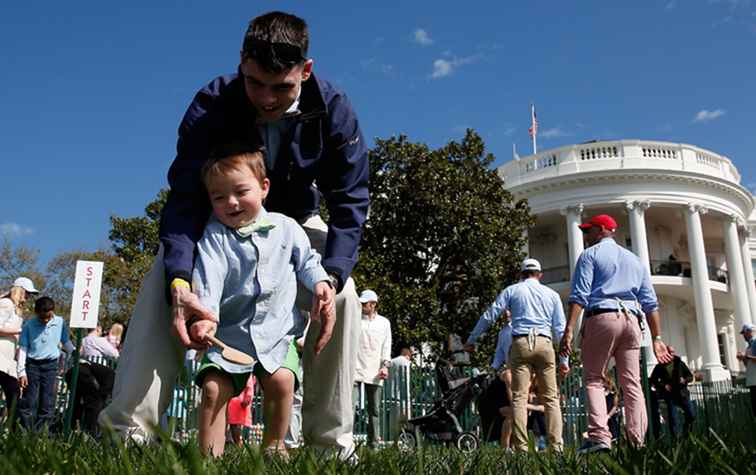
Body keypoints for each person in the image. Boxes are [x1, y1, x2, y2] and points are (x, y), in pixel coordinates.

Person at [99, 12, 368, 458]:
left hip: (296, 223)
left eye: (281, 87)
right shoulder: (212, 103)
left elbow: (351, 199)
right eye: (254, 82)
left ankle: (329, 446)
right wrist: (180, 280)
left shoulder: (334, 108)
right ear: (241, 63)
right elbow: (185, 197)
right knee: (159, 287)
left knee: (342, 299)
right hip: (220, 218)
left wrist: (333, 275)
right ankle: (128, 433)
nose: (266, 98)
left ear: (306, 70)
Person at [187, 144, 333, 458]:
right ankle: (209, 457)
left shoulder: (287, 227)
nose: (231, 202)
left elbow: (307, 261)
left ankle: (275, 447)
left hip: (277, 333)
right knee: (214, 390)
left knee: (282, 382)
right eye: (219, 197)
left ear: (264, 187)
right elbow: (207, 278)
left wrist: (320, 282)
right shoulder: (214, 237)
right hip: (227, 336)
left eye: (241, 191)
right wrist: (205, 316)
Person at [559, 214, 673, 453]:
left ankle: (599, 435)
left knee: (593, 378)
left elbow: (579, 296)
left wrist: (569, 329)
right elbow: (650, 303)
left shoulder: (590, 255)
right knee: (632, 384)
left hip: (603, 317)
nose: (585, 236)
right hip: (633, 321)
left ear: (601, 230)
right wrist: (657, 337)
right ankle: (637, 441)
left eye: (588, 231)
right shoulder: (635, 260)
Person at [465, 258, 566, 452]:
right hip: (545, 342)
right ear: (540, 275)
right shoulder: (552, 294)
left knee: (519, 398)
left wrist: (472, 339)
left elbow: (491, 314)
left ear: (521, 274)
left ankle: (521, 447)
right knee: (551, 398)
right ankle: (557, 446)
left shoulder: (512, 290)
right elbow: (560, 329)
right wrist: (564, 360)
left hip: (520, 342)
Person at [17, 296, 75, 431]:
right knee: (29, 401)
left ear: (53, 311)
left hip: (50, 366)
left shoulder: (60, 322)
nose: (46, 320)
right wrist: (21, 371)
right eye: (42, 317)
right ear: (36, 313)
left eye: (48, 317)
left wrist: (74, 352)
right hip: (32, 366)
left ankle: (41, 434)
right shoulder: (29, 325)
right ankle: (25, 432)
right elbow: (23, 348)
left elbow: (65, 341)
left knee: (47, 401)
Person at [353, 290, 391, 449]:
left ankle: (373, 444)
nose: (362, 306)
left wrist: (385, 365)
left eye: (365, 303)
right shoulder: (354, 319)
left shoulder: (384, 322)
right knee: (349, 408)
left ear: (373, 304)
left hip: (375, 371)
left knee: (374, 410)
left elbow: (386, 345)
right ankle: (346, 442)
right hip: (354, 369)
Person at [0, 277, 38, 425]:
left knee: (14, 394)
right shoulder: (6, 304)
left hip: (7, 359)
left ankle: (12, 431)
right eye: (27, 293)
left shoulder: (16, 309)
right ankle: (13, 431)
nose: (28, 297)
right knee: (13, 392)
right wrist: (19, 331)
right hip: (1, 357)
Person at [648, 352, 694, 438]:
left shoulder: (680, 363)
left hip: (682, 393)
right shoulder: (660, 366)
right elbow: (652, 380)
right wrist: (663, 385)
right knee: (673, 418)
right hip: (670, 395)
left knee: (691, 415)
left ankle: (687, 434)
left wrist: (684, 380)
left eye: (672, 352)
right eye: (669, 352)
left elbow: (690, 376)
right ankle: (675, 439)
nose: (671, 354)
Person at [227, 375, 255, 447]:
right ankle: (234, 443)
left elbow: (249, 387)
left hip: (238, 404)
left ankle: (237, 444)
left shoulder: (247, 374)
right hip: (235, 403)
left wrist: (247, 399)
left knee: (235, 426)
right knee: (234, 426)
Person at [736, 323, 756, 416]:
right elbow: (748, 365)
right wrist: (743, 359)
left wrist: (745, 356)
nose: (743, 335)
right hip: (752, 381)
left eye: (744, 333)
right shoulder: (748, 347)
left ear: (749, 332)